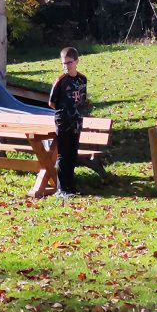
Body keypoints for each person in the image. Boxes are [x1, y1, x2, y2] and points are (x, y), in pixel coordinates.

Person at [51, 47, 90, 199]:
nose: (66, 66)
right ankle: (61, 189)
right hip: (63, 122)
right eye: (63, 63)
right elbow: (52, 103)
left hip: (77, 122)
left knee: (72, 155)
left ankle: (70, 187)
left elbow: (83, 99)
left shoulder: (82, 79)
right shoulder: (60, 81)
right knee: (63, 155)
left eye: (69, 62)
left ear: (77, 61)